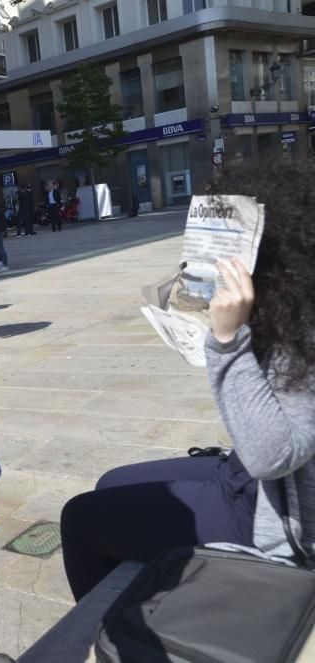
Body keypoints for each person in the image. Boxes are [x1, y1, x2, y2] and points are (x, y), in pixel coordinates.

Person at [59, 159, 315, 601]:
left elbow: (271, 455)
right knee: (111, 482)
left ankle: (120, 633)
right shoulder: (291, 307)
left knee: (79, 518)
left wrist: (229, 338)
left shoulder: (305, 335)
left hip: (273, 516)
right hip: (251, 481)